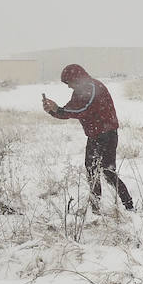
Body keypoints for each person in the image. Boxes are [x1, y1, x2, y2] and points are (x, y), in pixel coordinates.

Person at [42, 64, 134, 213]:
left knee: (105, 171)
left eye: (69, 82)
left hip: (106, 135)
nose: (69, 87)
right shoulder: (81, 89)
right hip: (96, 135)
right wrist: (53, 111)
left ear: (76, 78)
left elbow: (80, 109)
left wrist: (58, 109)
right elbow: (71, 110)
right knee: (94, 171)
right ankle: (97, 208)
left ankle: (127, 205)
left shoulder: (92, 87)